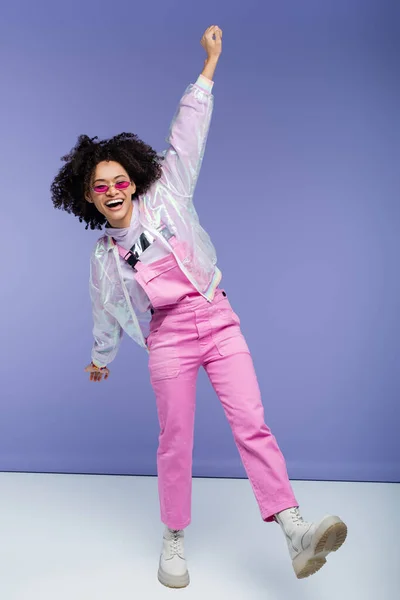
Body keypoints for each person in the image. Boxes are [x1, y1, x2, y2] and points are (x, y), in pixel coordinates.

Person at [51, 25, 347, 589]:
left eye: (119, 180)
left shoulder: (167, 192)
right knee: (175, 439)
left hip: (216, 317)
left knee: (252, 423)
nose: (112, 190)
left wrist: (208, 67)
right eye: (99, 186)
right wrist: (100, 357)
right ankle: (174, 538)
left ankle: (295, 532)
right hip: (168, 338)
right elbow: (105, 311)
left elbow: (188, 134)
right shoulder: (104, 258)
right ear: (88, 197)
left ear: (134, 183)